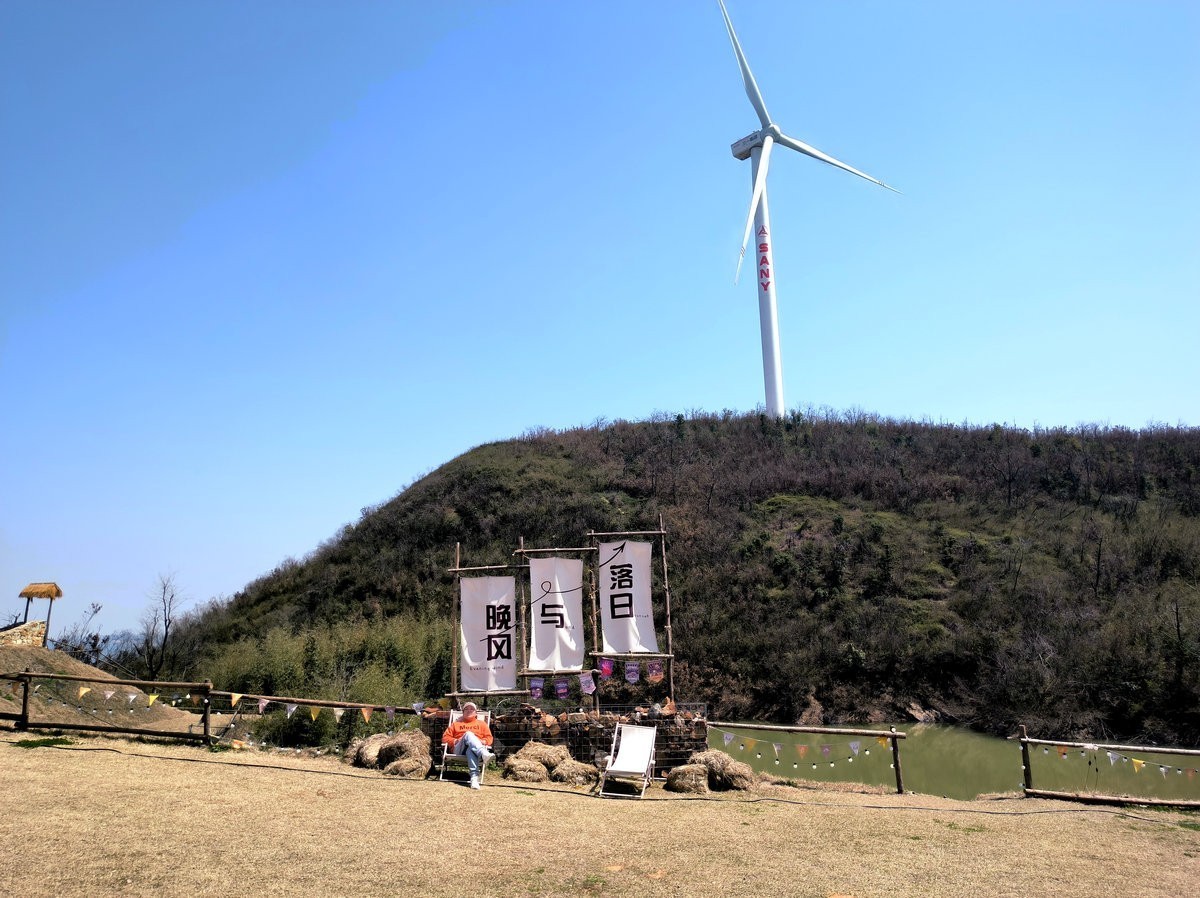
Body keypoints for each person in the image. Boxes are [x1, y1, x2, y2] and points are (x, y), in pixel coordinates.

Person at [441, 701, 494, 789]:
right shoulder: (456, 724)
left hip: (474, 749)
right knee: (468, 734)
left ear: (476, 713)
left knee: (470, 749)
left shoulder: (482, 724)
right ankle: (483, 753)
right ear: (463, 712)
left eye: (472, 709)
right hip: (459, 749)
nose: (469, 710)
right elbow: (445, 738)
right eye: (466, 709)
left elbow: (489, 739)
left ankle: (474, 779)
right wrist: (455, 741)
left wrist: (481, 741)